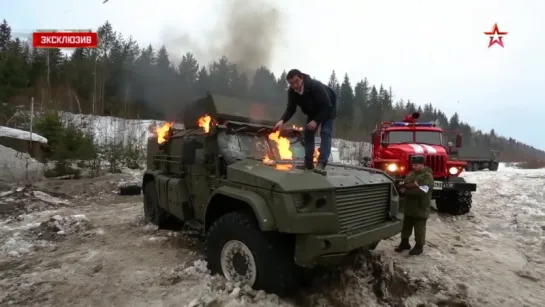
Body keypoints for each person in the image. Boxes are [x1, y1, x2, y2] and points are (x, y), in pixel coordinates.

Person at [273, 69, 337, 173]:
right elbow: (291, 109)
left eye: (297, 81)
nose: (295, 85)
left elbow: (327, 106)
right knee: (308, 132)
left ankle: (321, 163)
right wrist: (282, 120)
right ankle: (308, 163)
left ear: (302, 77)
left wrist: (316, 121)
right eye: (291, 83)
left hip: (328, 106)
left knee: (325, 132)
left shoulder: (315, 86)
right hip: (312, 110)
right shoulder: (292, 92)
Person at [395, 155, 434, 255]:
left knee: (419, 229)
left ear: (422, 164)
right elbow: (406, 183)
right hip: (409, 207)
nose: (414, 167)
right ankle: (404, 243)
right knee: (406, 227)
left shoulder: (427, 176)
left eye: (416, 165)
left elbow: (422, 190)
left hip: (421, 207)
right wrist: (401, 185)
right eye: (413, 165)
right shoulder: (411, 174)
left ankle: (419, 246)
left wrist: (406, 191)